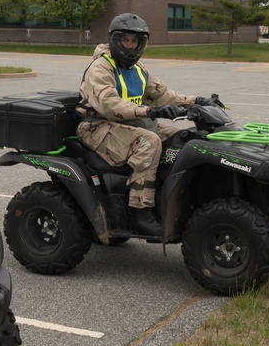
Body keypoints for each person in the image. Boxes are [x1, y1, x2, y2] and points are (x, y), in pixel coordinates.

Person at [76, 13, 221, 238]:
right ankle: (140, 210)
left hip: (130, 123)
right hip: (97, 126)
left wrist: (196, 101)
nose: (131, 46)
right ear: (115, 40)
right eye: (126, 40)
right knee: (149, 142)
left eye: (136, 42)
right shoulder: (101, 68)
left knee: (184, 137)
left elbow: (162, 94)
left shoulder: (138, 69)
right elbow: (108, 104)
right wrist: (150, 111)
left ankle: (169, 194)